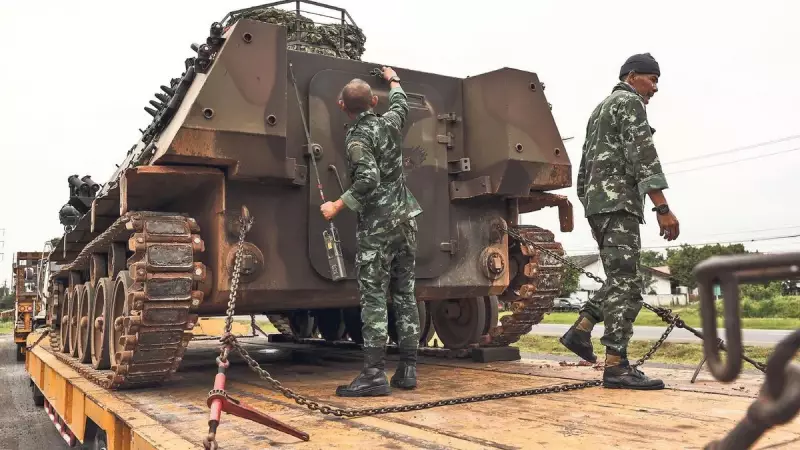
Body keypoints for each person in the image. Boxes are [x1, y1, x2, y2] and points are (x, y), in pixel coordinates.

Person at [560, 53, 680, 390]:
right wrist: (662, 207)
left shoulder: (600, 109)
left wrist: (590, 202)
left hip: (599, 204)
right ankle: (616, 366)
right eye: (652, 79)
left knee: (619, 278)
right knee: (628, 283)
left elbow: (585, 165)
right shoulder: (629, 103)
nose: (655, 87)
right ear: (631, 76)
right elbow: (642, 155)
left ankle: (581, 329)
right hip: (619, 204)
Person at [320, 66, 423, 397]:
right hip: (405, 219)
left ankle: (374, 374)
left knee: (375, 295)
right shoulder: (390, 123)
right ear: (374, 101)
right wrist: (393, 79)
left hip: (377, 226)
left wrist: (337, 205)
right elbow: (402, 104)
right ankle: (407, 370)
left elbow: (368, 179)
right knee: (405, 293)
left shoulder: (358, 137)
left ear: (341, 106)